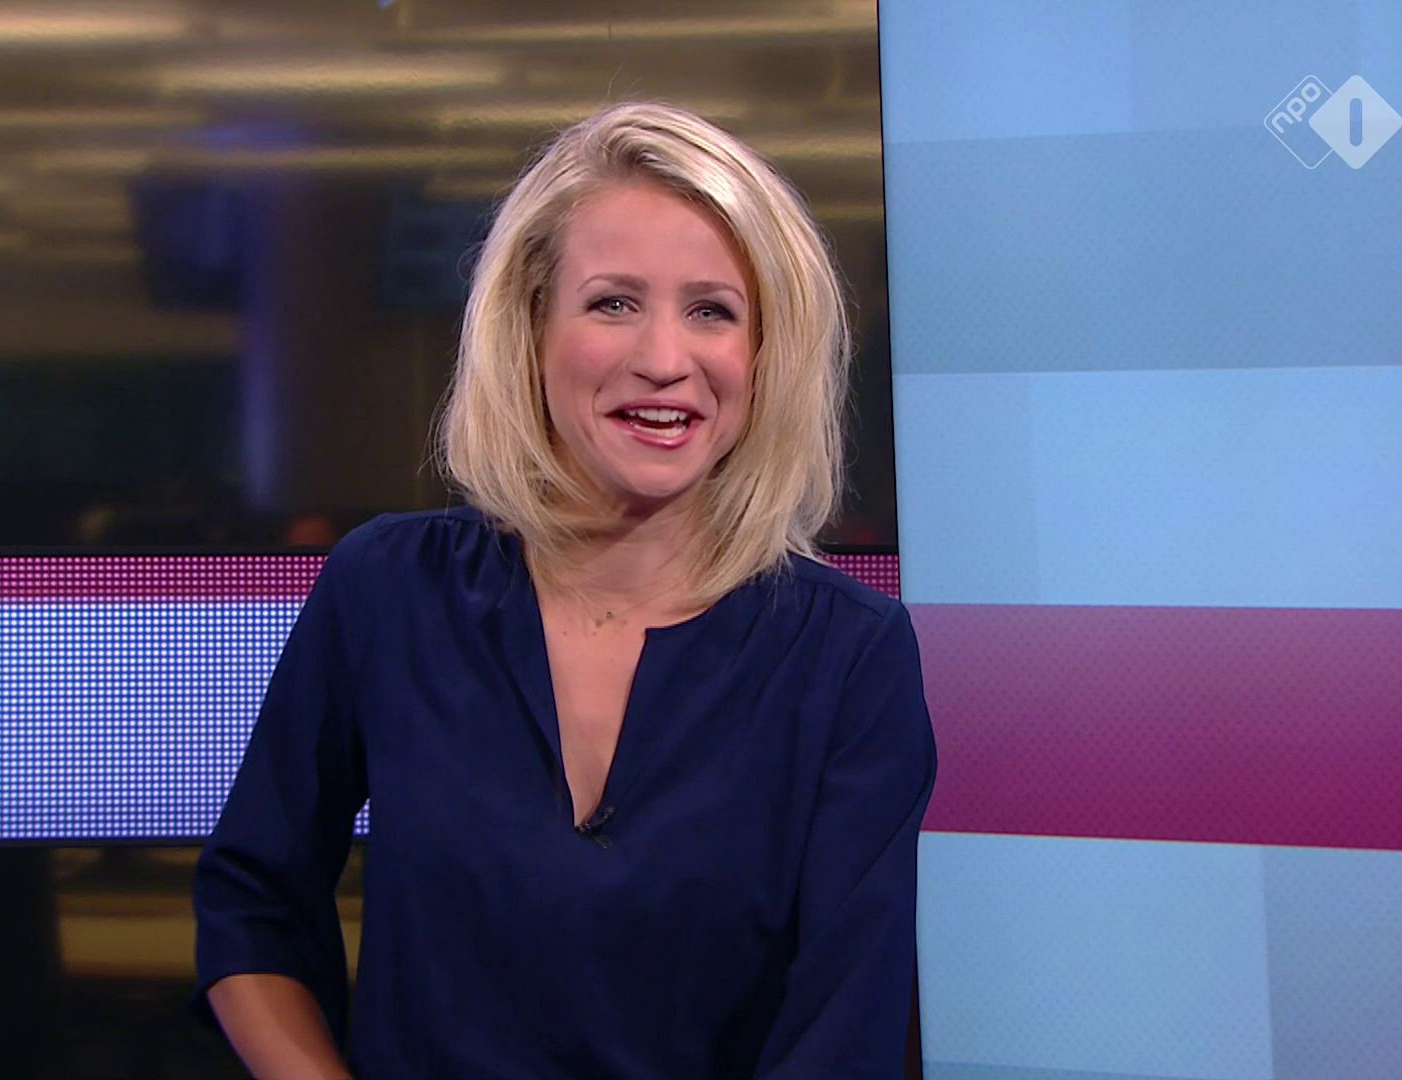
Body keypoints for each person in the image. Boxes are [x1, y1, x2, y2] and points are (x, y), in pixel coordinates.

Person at [193, 102, 937, 1080]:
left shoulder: (850, 656)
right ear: (531, 328)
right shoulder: (386, 592)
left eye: (712, 310)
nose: (663, 360)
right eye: (614, 304)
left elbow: (846, 1029)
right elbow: (252, 901)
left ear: (766, 355)